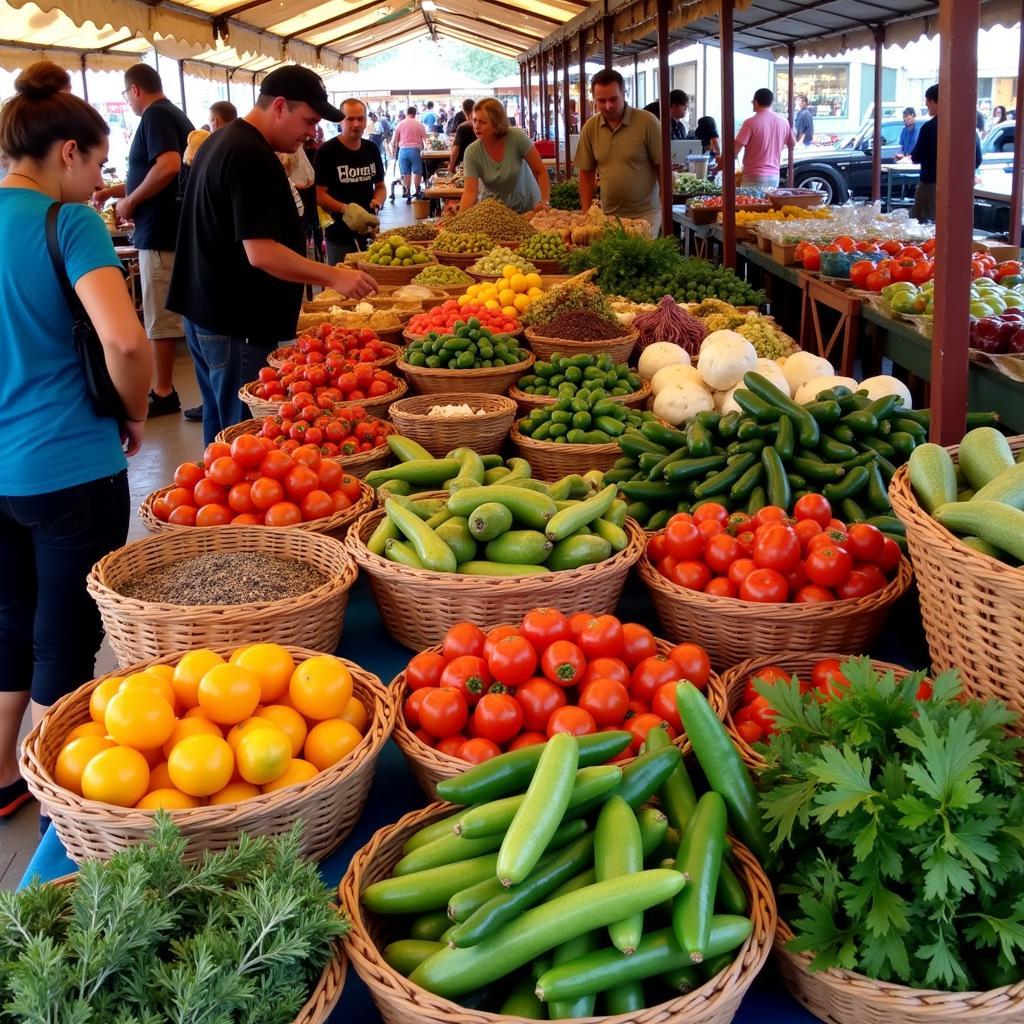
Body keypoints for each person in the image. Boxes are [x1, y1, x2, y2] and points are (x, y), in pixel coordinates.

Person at [0, 61, 152, 820]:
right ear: (67, 151)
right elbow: (123, 343)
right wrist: (134, 410)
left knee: (7, 615)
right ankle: (59, 792)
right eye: (96, 163)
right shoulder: (69, 223)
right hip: (66, 462)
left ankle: (4, 777)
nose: (98, 183)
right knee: (63, 628)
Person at [167, 65, 378, 445]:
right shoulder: (251, 155)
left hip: (205, 314)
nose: (312, 132)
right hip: (237, 324)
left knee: (220, 430)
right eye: (308, 120)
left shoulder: (220, 140)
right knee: (241, 437)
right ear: (279, 106)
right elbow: (261, 253)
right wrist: (334, 276)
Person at [92, 64, 192, 418]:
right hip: (176, 232)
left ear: (135, 90)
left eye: (126, 96)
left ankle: (163, 391)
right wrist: (114, 192)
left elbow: (167, 165)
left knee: (161, 319)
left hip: (163, 235)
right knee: (177, 315)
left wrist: (130, 202)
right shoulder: (174, 115)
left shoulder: (155, 116)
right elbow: (153, 170)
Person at [576, 69, 662, 233]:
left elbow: (662, 168)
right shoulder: (590, 128)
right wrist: (586, 213)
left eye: (613, 99)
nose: (608, 106)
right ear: (594, 99)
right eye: (601, 100)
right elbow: (586, 174)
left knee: (641, 258)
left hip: (645, 216)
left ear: (624, 93)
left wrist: (664, 210)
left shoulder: (648, 122)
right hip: (607, 217)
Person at [315, 98, 386, 265]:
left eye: (360, 118)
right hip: (339, 233)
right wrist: (345, 209)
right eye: (350, 119)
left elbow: (381, 187)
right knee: (341, 282)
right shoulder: (326, 151)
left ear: (366, 120)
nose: (356, 124)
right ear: (341, 120)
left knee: (372, 280)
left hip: (370, 231)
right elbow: (319, 195)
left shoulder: (371, 149)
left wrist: (377, 202)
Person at [459, 98, 549, 214]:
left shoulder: (517, 137)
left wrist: (544, 201)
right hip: (496, 214)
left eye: (483, 122)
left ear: (497, 124)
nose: (476, 126)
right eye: (475, 120)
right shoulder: (472, 152)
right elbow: (470, 192)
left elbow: (540, 170)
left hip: (529, 209)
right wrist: (460, 220)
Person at [912, 84, 982, 223]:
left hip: (930, 186)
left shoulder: (929, 127)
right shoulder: (968, 127)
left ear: (934, 101)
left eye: (928, 103)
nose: (927, 107)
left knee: (924, 230)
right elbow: (977, 159)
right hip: (960, 188)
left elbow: (916, 156)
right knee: (955, 226)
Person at [734, 87, 795, 189]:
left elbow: (735, 149)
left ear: (756, 102)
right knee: (768, 204)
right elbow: (792, 144)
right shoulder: (784, 121)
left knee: (749, 204)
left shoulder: (750, 123)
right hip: (774, 176)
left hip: (753, 176)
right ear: (771, 103)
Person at [391, 105, 428, 201]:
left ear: (406, 114)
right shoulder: (419, 124)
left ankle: (407, 193)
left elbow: (394, 140)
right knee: (417, 172)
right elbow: (426, 139)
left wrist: (394, 151)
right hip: (415, 151)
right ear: (415, 114)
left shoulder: (400, 124)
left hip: (403, 151)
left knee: (406, 173)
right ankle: (416, 191)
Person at [448, 103, 478, 174]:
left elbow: (456, 148)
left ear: (464, 110)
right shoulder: (484, 128)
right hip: (478, 164)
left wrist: (451, 166)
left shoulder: (463, 127)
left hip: (463, 164)